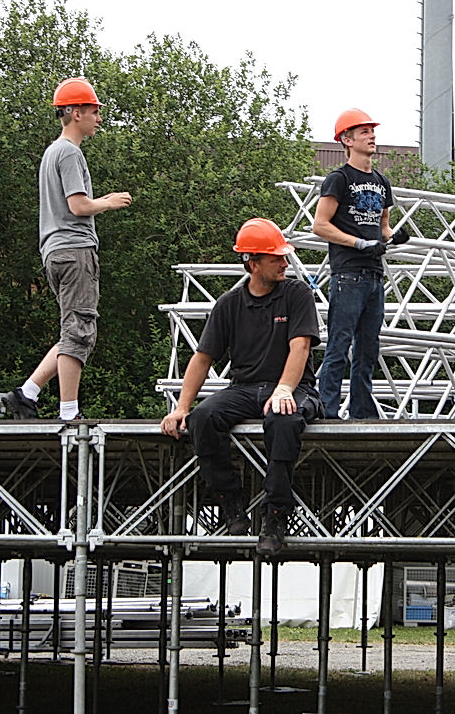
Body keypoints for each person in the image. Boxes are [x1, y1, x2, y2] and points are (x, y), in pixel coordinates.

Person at [160, 218, 322, 556]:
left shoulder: (296, 293)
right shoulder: (229, 305)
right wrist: (181, 408)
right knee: (203, 417)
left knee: (284, 419)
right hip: (246, 388)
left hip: (294, 387)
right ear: (252, 262)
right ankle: (230, 503)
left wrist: (284, 390)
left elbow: (301, 347)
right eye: (275, 257)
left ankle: (276, 513)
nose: (284, 262)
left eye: (283, 256)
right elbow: (202, 359)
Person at [2, 78, 133, 421]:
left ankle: (26, 393)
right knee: (80, 331)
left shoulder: (51, 152)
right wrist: (108, 202)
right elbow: (78, 206)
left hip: (54, 252)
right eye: (93, 111)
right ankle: (68, 414)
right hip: (75, 250)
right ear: (76, 113)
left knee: (70, 329)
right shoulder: (70, 153)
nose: (98, 118)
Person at [312, 108, 400, 420]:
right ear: (347, 140)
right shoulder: (339, 179)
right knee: (340, 342)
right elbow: (320, 225)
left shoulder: (380, 181)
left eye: (371, 131)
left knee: (368, 348)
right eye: (364, 132)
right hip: (349, 273)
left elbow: (383, 226)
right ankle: (328, 410)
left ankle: (363, 412)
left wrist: (392, 237)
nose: (372, 136)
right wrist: (359, 243)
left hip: (374, 275)